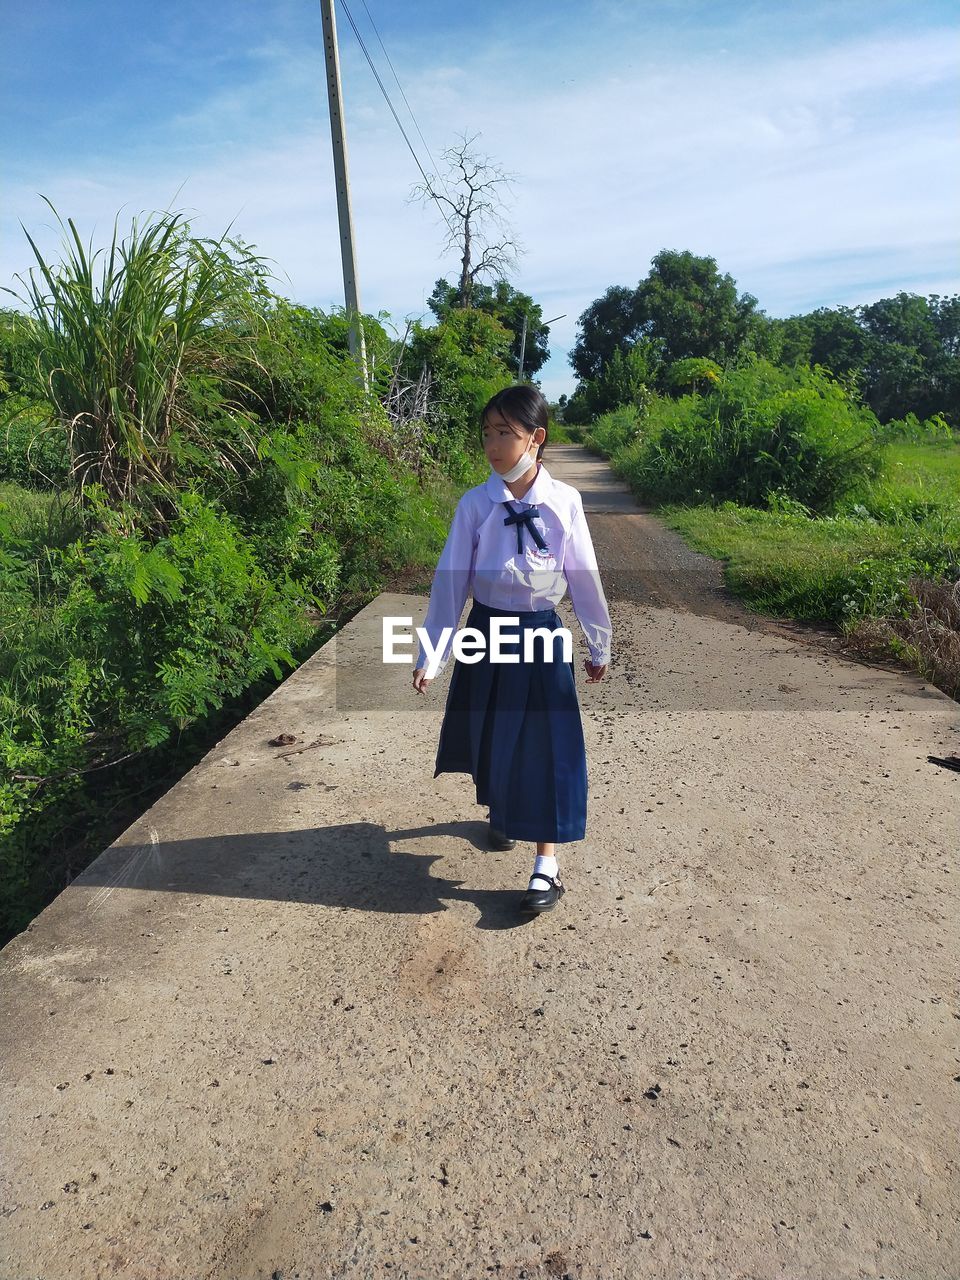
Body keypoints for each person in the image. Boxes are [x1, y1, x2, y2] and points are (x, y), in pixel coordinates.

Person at [411, 384, 612, 915]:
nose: (493, 445)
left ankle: (546, 864)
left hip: (542, 635)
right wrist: (432, 653)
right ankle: (502, 812)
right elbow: (450, 584)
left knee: (547, 746)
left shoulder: (565, 502)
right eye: (487, 433)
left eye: (506, 433)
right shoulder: (475, 505)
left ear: (536, 439)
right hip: (487, 632)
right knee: (493, 735)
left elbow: (584, 576)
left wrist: (598, 641)